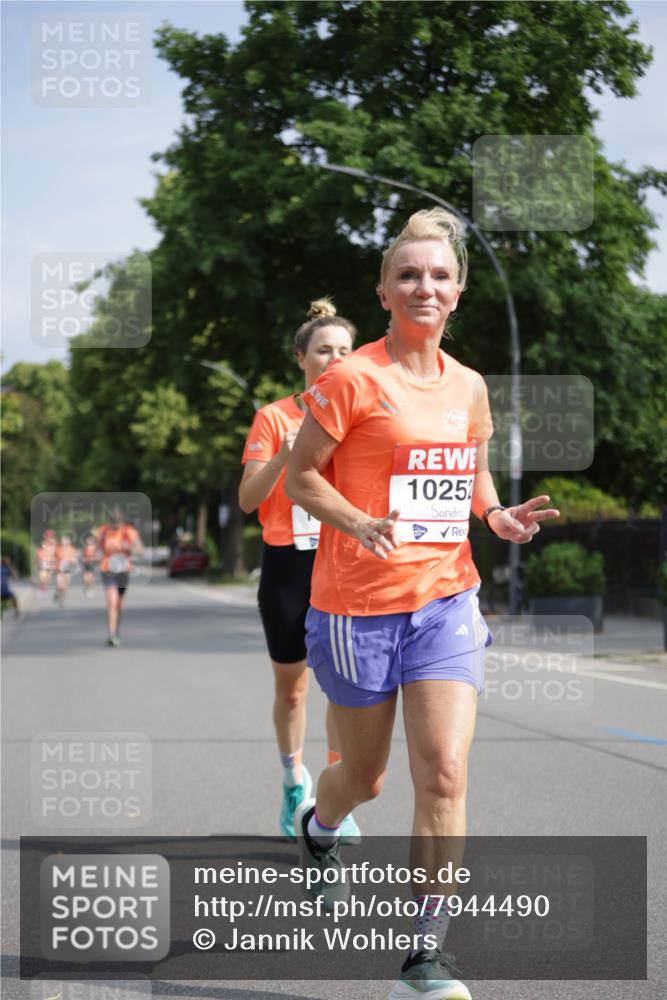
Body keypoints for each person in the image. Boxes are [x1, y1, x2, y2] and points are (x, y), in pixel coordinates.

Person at [286, 210, 559, 1000]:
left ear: (458, 292)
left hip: (445, 599)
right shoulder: (349, 379)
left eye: (438, 276)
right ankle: (320, 824)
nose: (424, 287)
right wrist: (357, 521)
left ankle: (424, 951)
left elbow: (468, 475)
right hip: (354, 607)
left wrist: (495, 515)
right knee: (363, 780)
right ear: (382, 290)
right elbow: (303, 477)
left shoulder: (468, 386)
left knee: (442, 771)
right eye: (408, 274)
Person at [239, 299, 362, 843]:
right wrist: (281, 458)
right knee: (293, 689)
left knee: (343, 690)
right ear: (300, 358)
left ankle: (333, 790)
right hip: (288, 565)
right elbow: (247, 500)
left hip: (342, 562)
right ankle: (294, 779)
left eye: (344, 350)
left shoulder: (362, 416)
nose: (335, 359)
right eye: (323, 350)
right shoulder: (273, 417)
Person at [96, 508, 144, 647]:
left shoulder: (129, 532)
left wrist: (129, 547)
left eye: (118, 522)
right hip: (108, 570)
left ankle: (116, 631)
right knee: (112, 600)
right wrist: (97, 554)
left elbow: (141, 551)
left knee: (119, 605)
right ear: (109, 520)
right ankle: (111, 634)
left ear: (122, 520)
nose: (115, 524)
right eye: (113, 521)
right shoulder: (103, 531)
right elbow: (98, 549)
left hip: (123, 572)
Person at [54, 534, 79, 606]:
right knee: (59, 585)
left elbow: (74, 559)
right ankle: (57, 592)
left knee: (65, 586)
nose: (64, 541)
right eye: (63, 540)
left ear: (69, 541)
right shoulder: (58, 549)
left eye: (65, 540)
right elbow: (54, 558)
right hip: (59, 569)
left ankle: (61, 599)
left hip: (68, 569)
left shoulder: (72, 549)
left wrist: (73, 561)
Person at [35, 529, 57, 593]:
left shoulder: (55, 543)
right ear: (45, 536)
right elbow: (39, 552)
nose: (50, 537)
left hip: (51, 561)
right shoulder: (42, 543)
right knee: (42, 575)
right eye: (48, 535)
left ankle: (45, 586)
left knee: (48, 576)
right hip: (43, 561)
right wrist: (37, 560)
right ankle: (42, 585)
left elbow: (57, 553)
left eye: (51, 535)